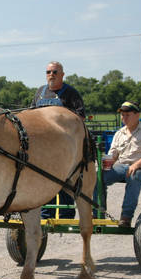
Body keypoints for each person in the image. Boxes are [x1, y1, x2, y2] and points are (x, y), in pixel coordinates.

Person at [32, 61, 85, 218]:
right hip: (42, 146)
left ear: (62, 75)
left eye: (55, 72)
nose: (51, 75)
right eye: (48, 72)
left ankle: (65, 215)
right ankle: (45, 215)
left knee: (63, 179)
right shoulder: (40, 92)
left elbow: (80, 117)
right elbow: (31, 114)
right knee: (42, 180)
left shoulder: (71, 93)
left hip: (63, 146)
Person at [95, 101, 141, 227]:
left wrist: (136, 165)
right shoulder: (119, 133)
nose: (124, 118)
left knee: (134, 175)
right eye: (122, 115)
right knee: (98, 176)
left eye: (127, 115)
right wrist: (106, 163)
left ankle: (126, 217)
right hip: (123, 166)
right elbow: (113, 154)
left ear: (137, 115)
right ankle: (98, 215)